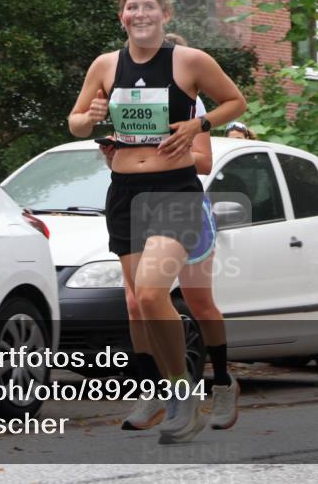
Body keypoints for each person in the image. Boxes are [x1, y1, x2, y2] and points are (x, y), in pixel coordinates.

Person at [69, 0, 246, 444]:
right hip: (124, 191)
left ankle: (194, 387)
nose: (140, 13)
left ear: (166, 16)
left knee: (153, 295)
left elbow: (235, 101)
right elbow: (76, 120)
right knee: (137, 303)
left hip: (174, 192)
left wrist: (199, 124)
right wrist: (88, 123)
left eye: (150, 6)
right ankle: (165, 389)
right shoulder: (106, 65)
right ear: (121, 16)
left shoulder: (189, 62)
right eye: (132, 7)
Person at [100, 32, 239, 433]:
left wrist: (168, 147)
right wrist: (120, 150)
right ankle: (153, 389)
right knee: (136, 300)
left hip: (183, 205)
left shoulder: (190, 106)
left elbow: (204, 162)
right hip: (137, 202)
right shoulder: (133, 106)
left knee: (199, 303)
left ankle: (223, 381)